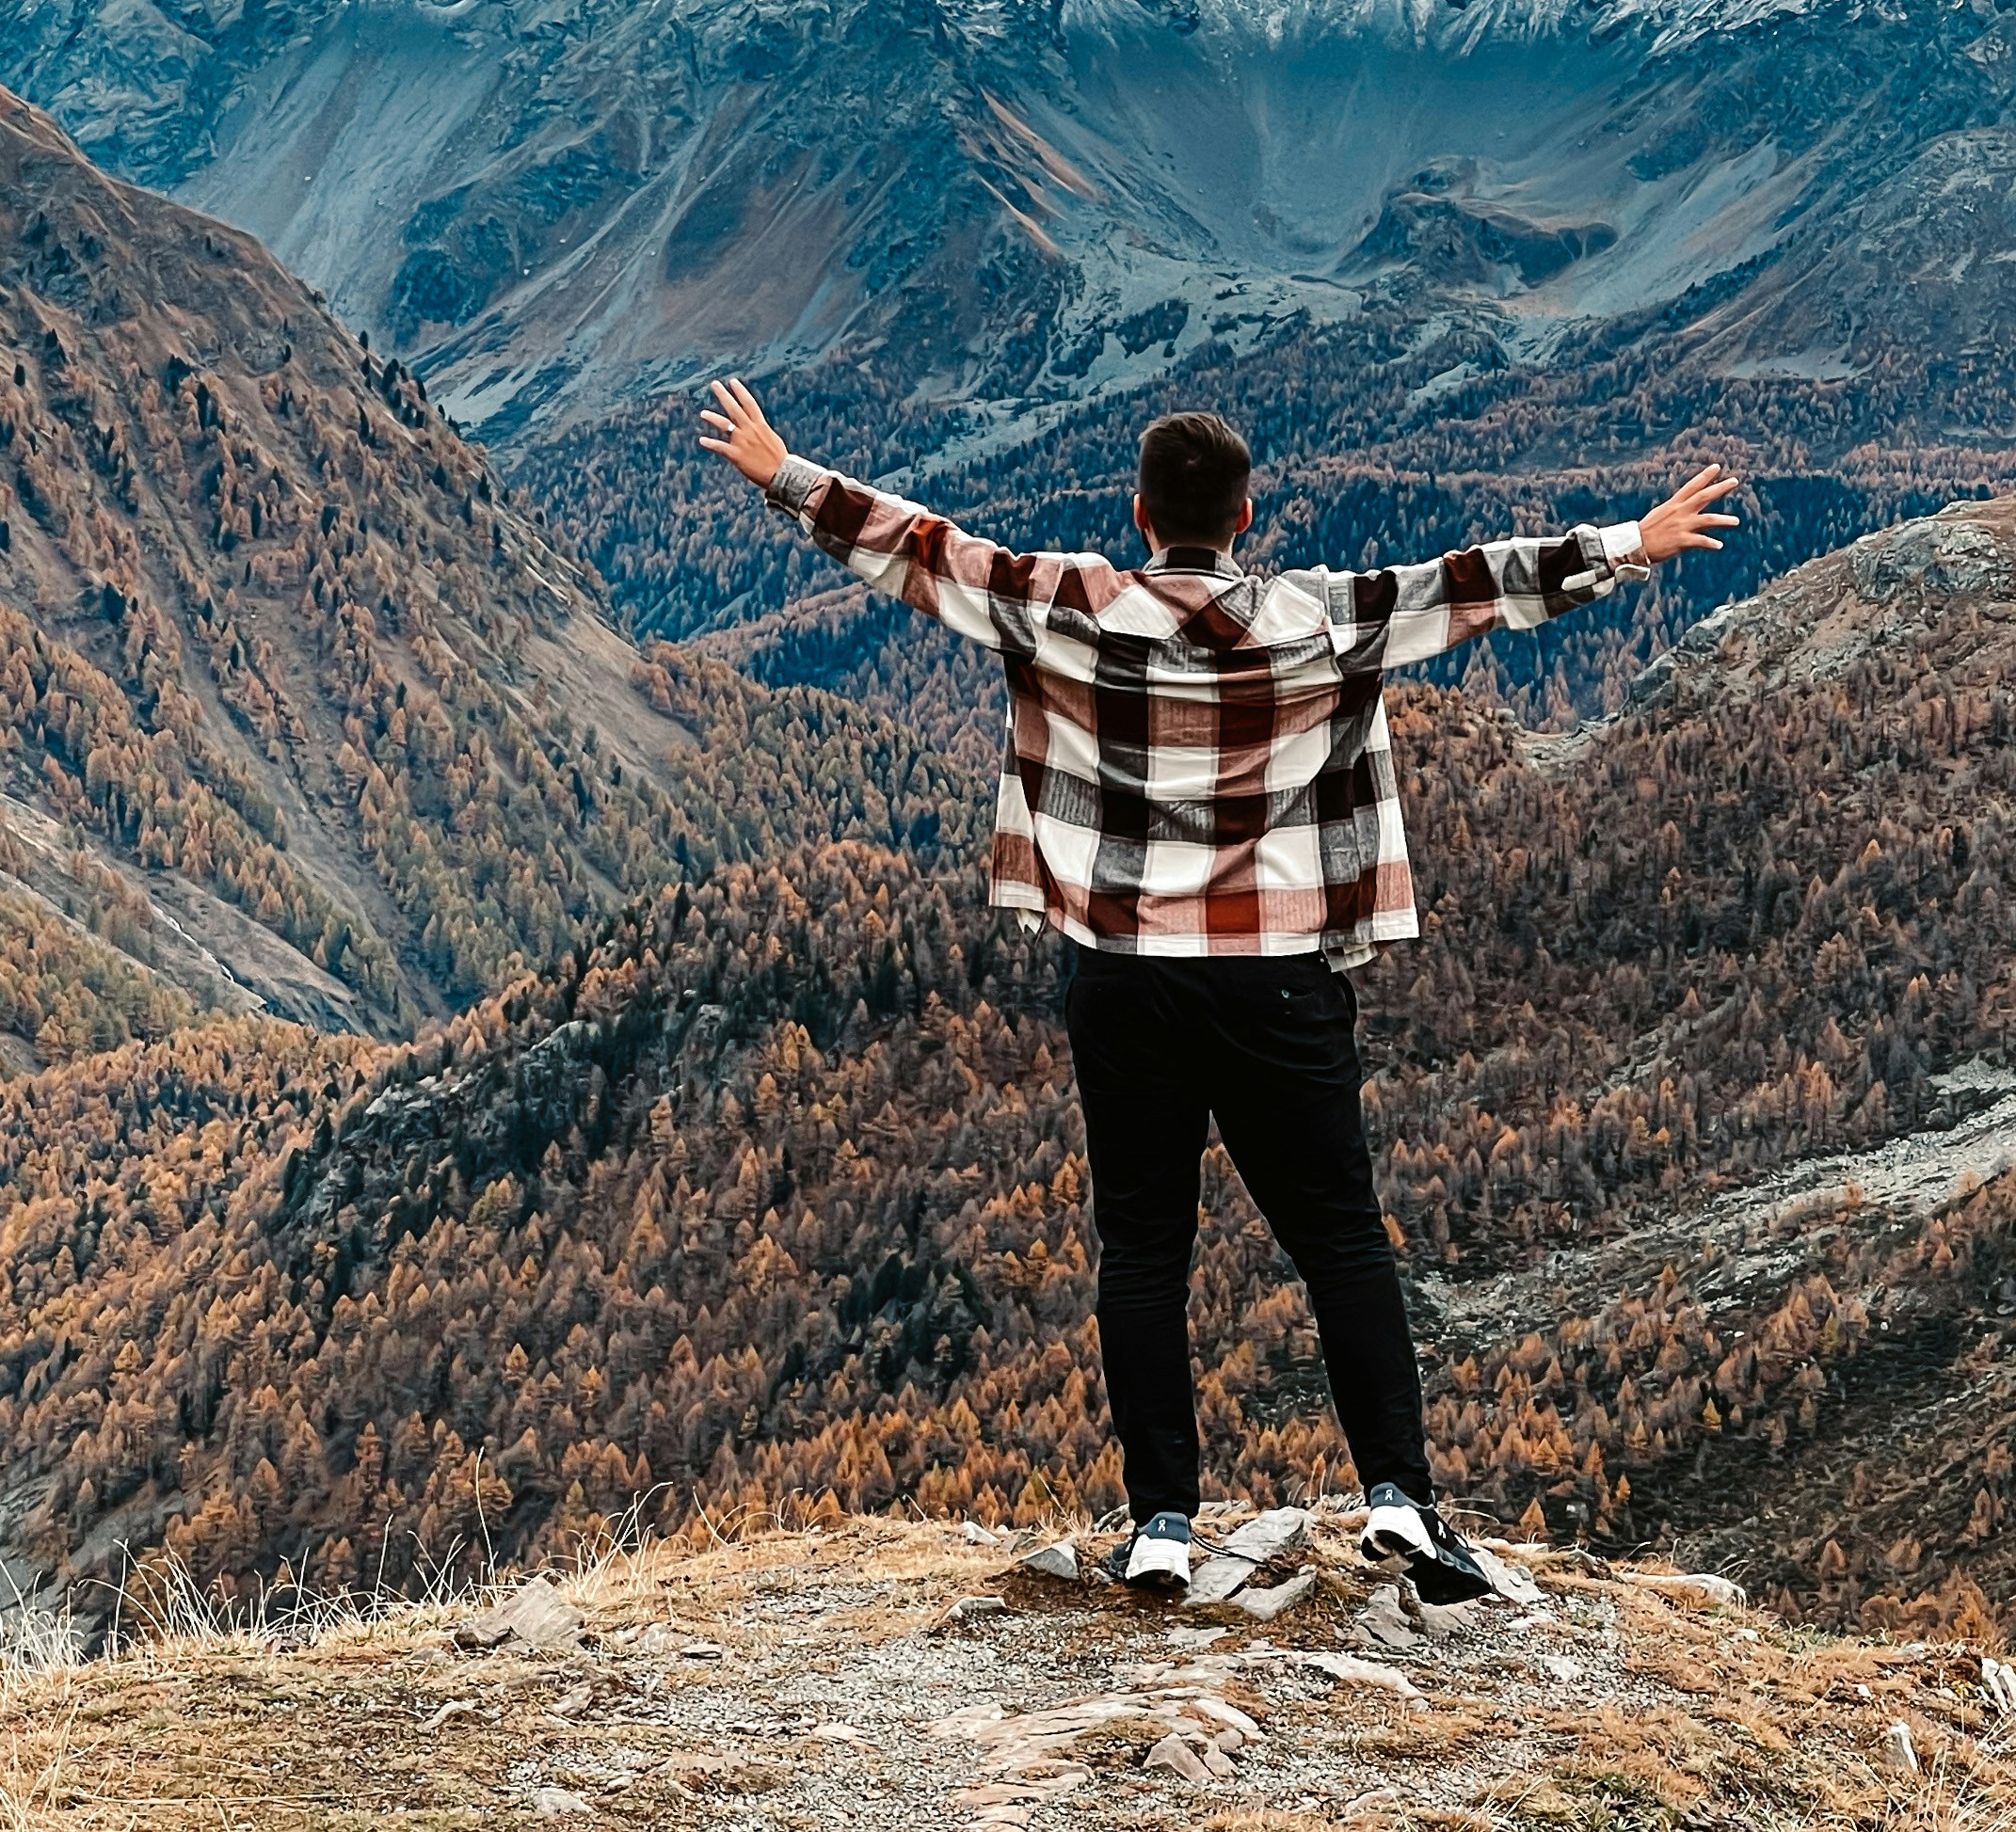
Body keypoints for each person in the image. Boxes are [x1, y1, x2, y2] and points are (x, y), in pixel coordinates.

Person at [698, 380, 1738, 1601]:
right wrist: (1628, 542)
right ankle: (1399, 1501)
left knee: (1145, 1249)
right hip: (1276, 982)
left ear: (1141, 514)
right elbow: (1473, 585)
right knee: (1340, 1240)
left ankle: (1160, 1525)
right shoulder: (1317, 618)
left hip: (1124, 980)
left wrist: (785, 474)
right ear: (1245, 516)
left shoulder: (1070, 603)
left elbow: (923, 551)